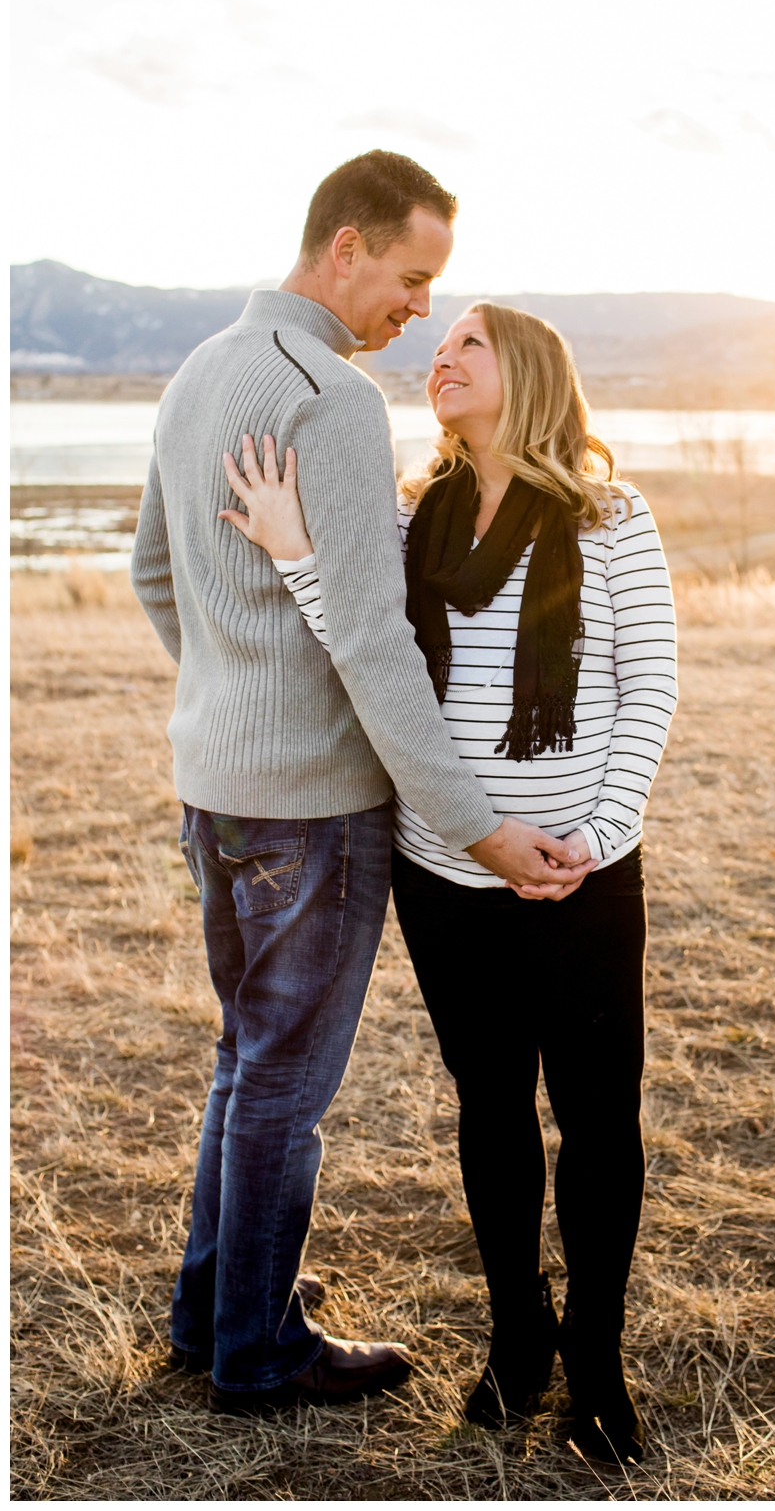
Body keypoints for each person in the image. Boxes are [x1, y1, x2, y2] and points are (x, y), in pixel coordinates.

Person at [133, 152, 592, 1416]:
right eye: (410, 276)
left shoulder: (195, 374)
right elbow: (378, 642)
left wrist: (230, 696)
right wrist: (478, 825)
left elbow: (151, 577)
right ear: (345, 248)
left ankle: (212, 1308)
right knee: (283, 1075)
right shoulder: (328, 399)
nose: (415, 310)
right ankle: (258, 1351)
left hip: (214, 785)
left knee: (246, 1056)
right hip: (312, 809)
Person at [221, 299, 676, 1468]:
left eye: (469, 342)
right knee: (490, 1108)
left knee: (597, 1119)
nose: (442, 357)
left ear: (526, 373)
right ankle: (517, 1336)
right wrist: (295, 553)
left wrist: (594, 833)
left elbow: (646, 691)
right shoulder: (414, 515)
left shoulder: (612, 517)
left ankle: (598, 1363)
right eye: (440, 344)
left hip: (582, 873)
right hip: (443, 869)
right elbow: (372, 651)